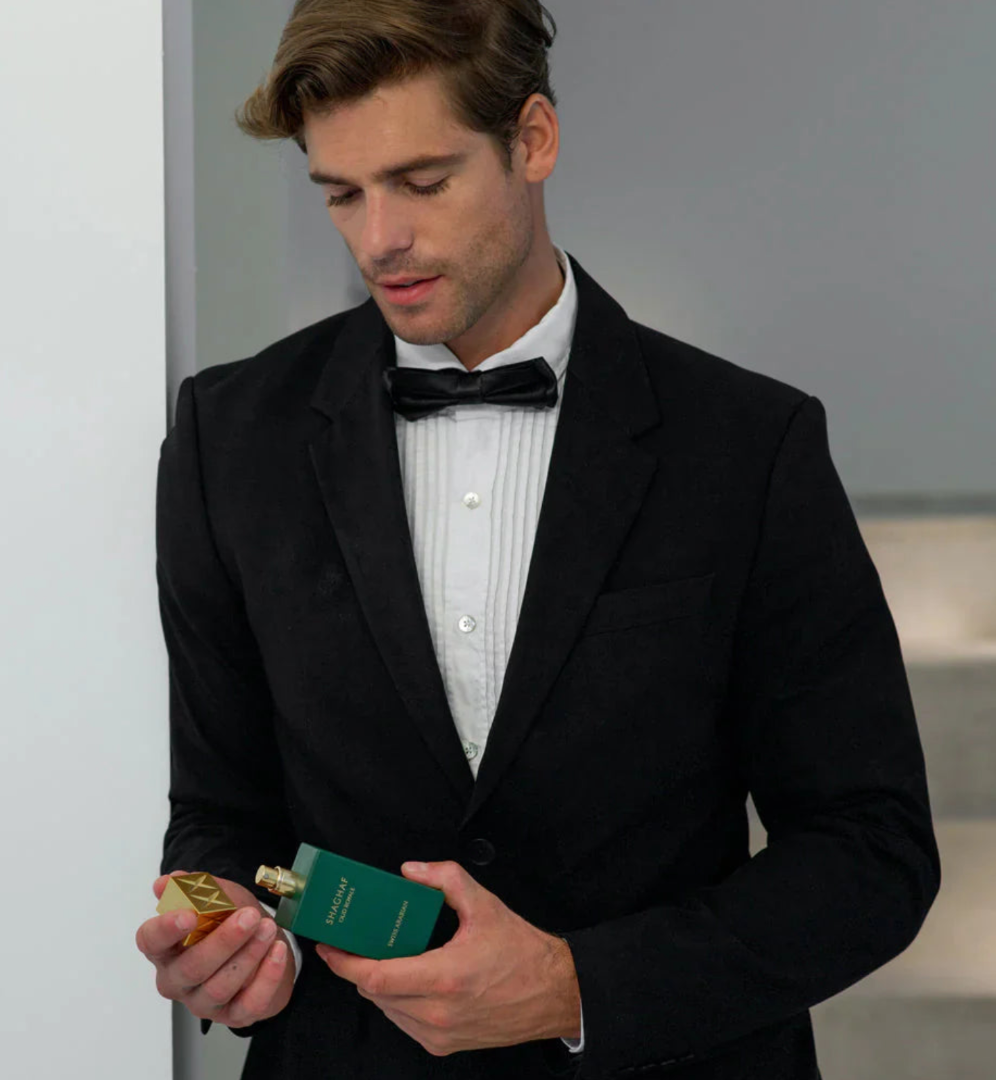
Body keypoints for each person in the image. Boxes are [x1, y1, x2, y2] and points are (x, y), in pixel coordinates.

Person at [134, 2, 940, 1077]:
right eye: (341, 193)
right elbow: (218, 816)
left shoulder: (750, 444)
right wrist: (229, 936)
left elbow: (871, 851)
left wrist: (576, 987)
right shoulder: (228, 438)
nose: (379, 239)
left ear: (533, 140)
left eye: (423, 182)